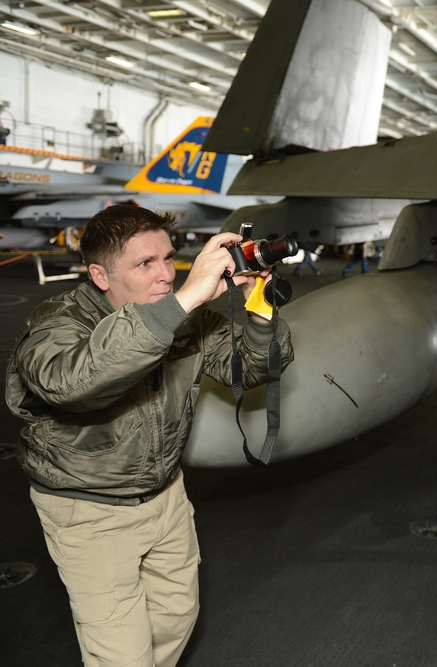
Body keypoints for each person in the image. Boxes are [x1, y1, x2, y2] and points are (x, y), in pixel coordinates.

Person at [5, 204, 295, 667]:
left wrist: (260, 311)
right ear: (101, 275)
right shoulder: (58, 322)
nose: (165, 276)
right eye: (145, 264)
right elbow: (71, 383)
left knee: (176, 618)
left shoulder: (183, 317)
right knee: (123, 657)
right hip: (90, 511)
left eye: (169, 259)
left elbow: (254, 366)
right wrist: (183, 302)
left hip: (166, 497)